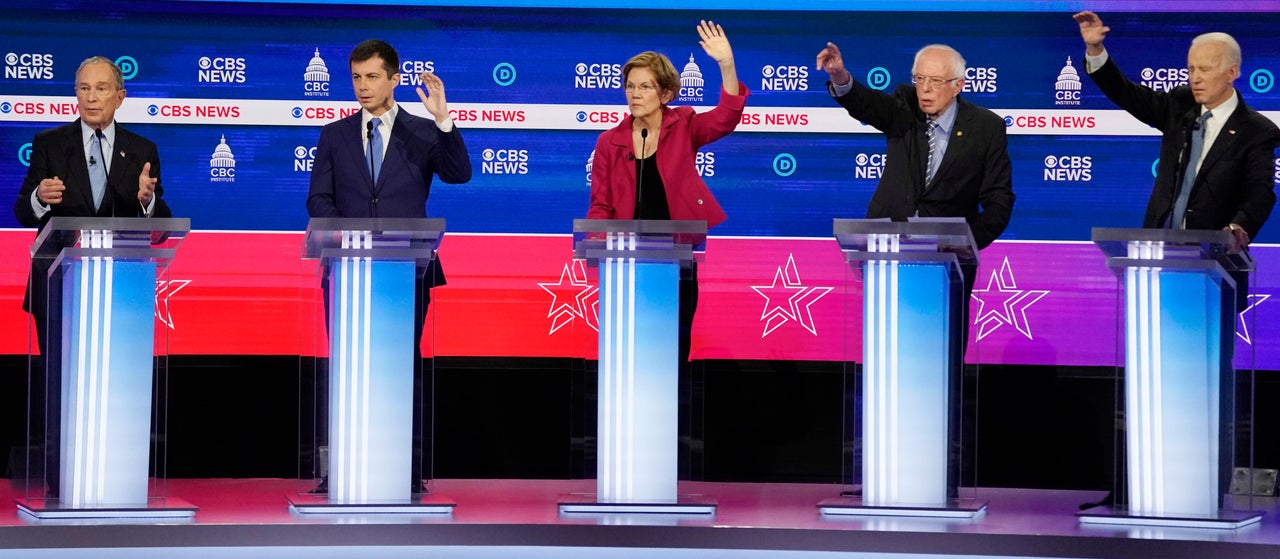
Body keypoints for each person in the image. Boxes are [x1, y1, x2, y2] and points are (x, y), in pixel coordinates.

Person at [1072, 11, 1280, 511]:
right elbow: (1131, 96)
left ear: (1233, 71)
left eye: (1205, 69)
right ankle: (1131, 488)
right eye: (1190, 69)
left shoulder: (1256, 131)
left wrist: (1238, 229)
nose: (1195, 78)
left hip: (1215, 275)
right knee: (1145, 376)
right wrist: (1097, 53)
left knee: (1205, 381)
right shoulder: (1181, 111)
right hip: (1157, 267)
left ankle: (1201, 489)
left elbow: (1260, 195)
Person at [816, 41, 1014, 497]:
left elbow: (1000, 202)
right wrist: (842, 77)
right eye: (920, 78)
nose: (925, 89)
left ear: (959, 85)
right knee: (888, 364)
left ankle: (935, 478)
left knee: (939, 369)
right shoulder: (903, 106)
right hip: (890, 261)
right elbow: (864, 103)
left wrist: (966, 243)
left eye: (936, 81)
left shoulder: (985, 128)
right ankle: (882, 474)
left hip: (948, 270)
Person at [306, 39, 471, 493]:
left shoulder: (421, 131)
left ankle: (403, 465)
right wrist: (350, 241)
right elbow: (318, 199)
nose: (363, 86)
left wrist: (443, 118)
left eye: (372, 76)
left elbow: (459, 173)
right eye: (357, 77)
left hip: (407, 270)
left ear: (395, 79)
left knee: (401, 365)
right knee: (349, 364)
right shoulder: (334, 135)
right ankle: (343, 465)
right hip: (346, 271)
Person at [587, 20, 747, 476]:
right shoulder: (610, 141)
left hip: (675, 267)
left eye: (645, 87)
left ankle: (662, 455)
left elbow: (728, 116)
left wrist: (727, 65)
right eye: (629, 86)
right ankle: (622, 453)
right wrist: (599, 250)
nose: (635, 95)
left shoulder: (685, 127)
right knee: (625, 360)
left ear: (665, 91)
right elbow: (599, 206)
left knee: (671, 358)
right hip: (625, 271)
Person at [13, 56, 169, 499]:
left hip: (122, 291)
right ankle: (62, 484)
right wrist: (41, 198)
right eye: (83, 88)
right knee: (60, 385)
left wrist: (146, 203)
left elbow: (161, 222)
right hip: (60, 286)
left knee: (118, 384)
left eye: (102, 88)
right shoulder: (49, 143)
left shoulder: (142, 151)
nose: (92, 96)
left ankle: (119, 481)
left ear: (121, 96)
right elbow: (23, 211)